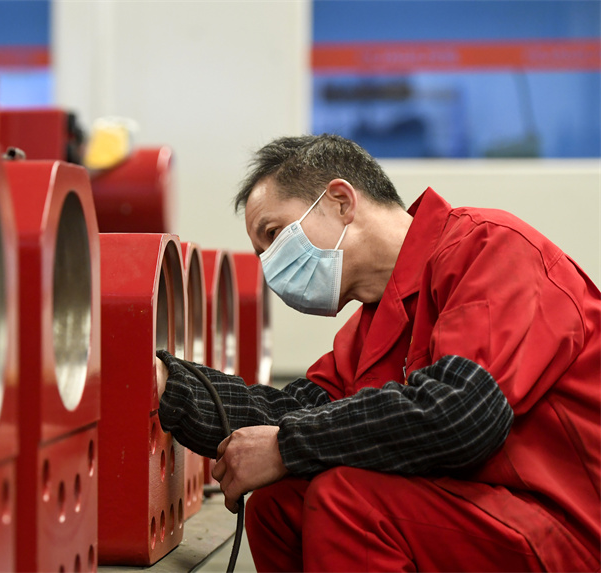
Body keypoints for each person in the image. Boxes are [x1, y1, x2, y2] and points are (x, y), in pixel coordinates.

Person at [154, 134, 600, 572]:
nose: (271, 265)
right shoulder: (372, 327)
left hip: (566, 532)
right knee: (280, 506)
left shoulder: (491, 251)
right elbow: (290, 412)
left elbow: (462, 412)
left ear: (341, 201)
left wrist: (288, 446)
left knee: (346, 500)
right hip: (479, 517)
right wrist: (166, 384)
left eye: (274, 235)